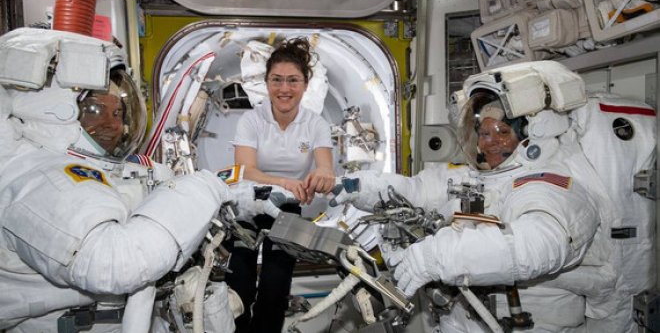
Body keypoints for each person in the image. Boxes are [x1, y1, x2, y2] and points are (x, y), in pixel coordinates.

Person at [0, 27, 281, 333]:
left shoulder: (113, 171)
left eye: (118, 111)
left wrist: (239, 197)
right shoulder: (34, 179)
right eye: (95, 110)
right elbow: (115, 263)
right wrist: (208, 187)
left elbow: (164, 200)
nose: (114, 125)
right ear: (51, 110)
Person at [332, 61, 625, 332]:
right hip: (464, 319)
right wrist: (358, 187)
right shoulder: (475, 178)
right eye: (483, 133)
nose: (489, 143)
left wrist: (438, 257)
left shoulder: (551, 183)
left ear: (532, 134)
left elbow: (538, 245)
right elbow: (417, 191)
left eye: (502, 131)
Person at [228, 37, 335, 333]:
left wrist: (323, 176)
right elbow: (245, 170)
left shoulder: (316, 124)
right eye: (276, 80)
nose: (284, 89)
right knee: (239, 284)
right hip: (247, 204)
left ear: (305, 83)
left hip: (286, 207)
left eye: (292, 81)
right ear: (266, 82)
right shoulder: (251, 120)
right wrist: (284, 181)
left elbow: (325, 165)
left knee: (276, 286)